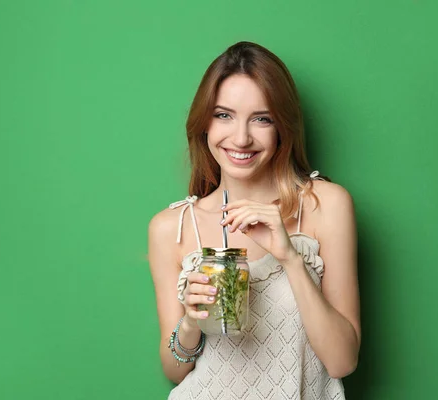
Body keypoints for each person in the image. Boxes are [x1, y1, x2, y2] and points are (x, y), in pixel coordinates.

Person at [148, 41, 360, 399]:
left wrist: (289, 257)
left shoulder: (326, 205)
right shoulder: (175, 227)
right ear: (204, 123)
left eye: (262, 118)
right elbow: (175, 370)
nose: (241, 138)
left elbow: (342, 362)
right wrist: (190, 322)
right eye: (223, 115)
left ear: (282, 128)